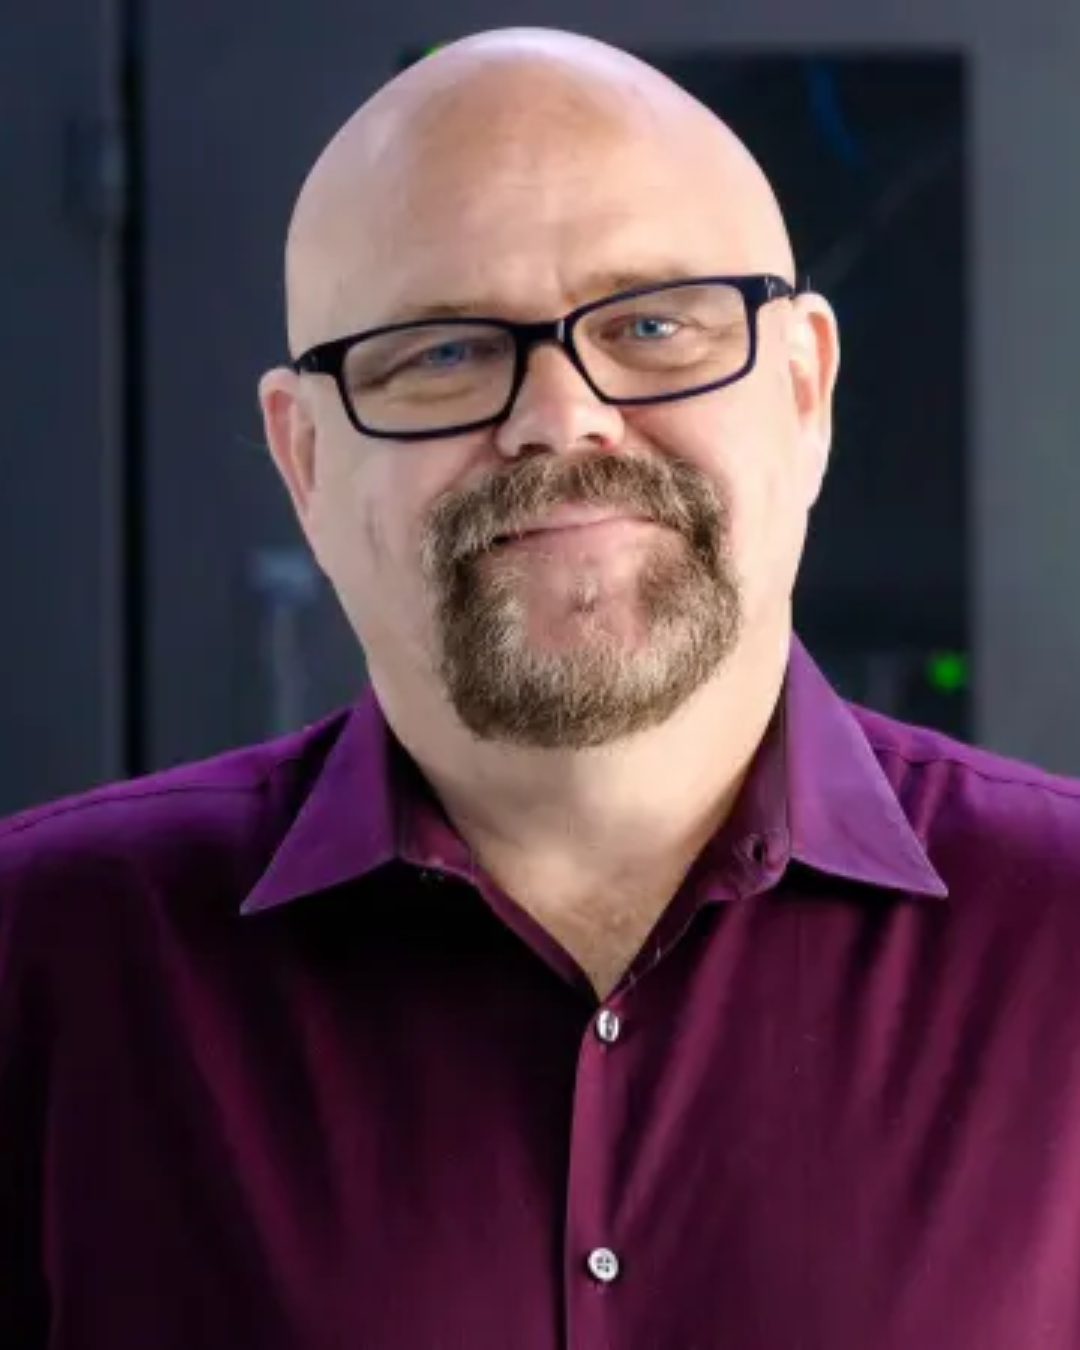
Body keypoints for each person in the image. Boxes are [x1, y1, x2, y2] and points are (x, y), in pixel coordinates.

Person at [3, 26, 1080, 1350]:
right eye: (442, 353)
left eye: (653, 325)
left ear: (804, 389)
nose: (560, 417)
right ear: (305, 460)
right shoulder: (38, 962)